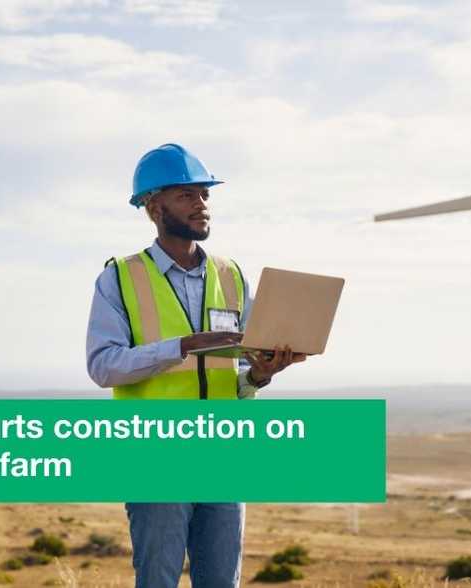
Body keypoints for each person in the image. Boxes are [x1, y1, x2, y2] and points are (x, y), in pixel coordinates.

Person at [85, 143, 304, 587]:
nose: (201, 205)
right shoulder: (120, 277)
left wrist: (261, 373)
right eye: (187, 195)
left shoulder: (232, 275)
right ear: (153, 206)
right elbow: (103, 366)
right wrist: (182, 345)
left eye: (204, 195)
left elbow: (237, 377)